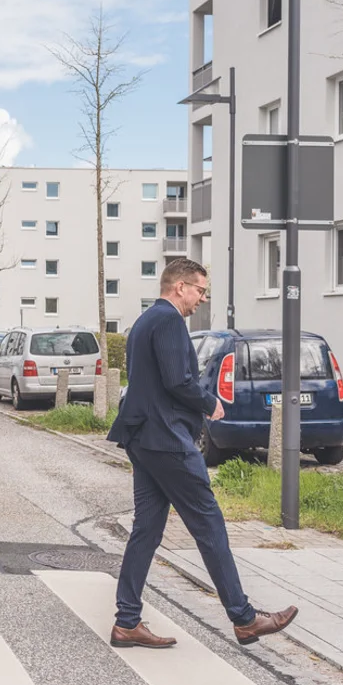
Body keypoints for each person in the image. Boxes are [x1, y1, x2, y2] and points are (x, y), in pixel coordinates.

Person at [108, 259, 298, 648]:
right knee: (209, 524)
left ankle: (127, 622)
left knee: (146, 530)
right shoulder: (168, 321)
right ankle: (244, 619)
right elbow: (177, 380)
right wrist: (210, 402)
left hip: (144, 437)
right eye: (200, 290)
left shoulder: (145, 321)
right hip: (166, 439)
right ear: (180, 287)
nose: (202, 298)